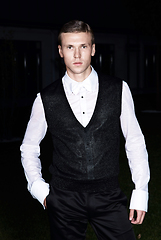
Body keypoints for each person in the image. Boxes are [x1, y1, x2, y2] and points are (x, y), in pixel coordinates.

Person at [20, 20, 150, 240]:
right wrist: (40, 190)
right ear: (60, 51)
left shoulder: (118, 89)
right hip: (64, 198)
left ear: (93, 49)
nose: (77, 54)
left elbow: (135, 141)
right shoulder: (45, 99)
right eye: (70, 47)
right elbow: (29, 147)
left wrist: (140, 192)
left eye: (83, 46)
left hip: (108, 196)